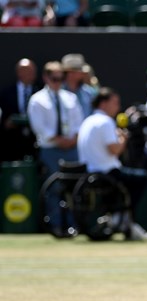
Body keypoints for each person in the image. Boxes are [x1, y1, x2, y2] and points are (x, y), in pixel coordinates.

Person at [76, 88, 147, 240]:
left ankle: (118, 215)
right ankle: (123, 217)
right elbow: (114, 150)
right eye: (115, 103)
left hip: (90, 172)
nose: (118, 107)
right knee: (142, 178)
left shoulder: (87, 121)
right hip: (106, 173)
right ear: (103, 103)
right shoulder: (105, 122)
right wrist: (123, 139)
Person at [27, 61, 84, 237]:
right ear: (45, 77)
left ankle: (75, 225)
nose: (58, 81)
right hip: (51, 149)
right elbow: (40, 128)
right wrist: (59, 140)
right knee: (54, 188)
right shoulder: (37, 100)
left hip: (72, 149)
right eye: (54, 78)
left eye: (61, 78)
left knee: (75, 188)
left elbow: (78, 122)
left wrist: (72, 139)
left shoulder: (70, 98)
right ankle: (56, 225)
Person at [0, 58, 40, 163]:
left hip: (34, 142)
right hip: (12, 143)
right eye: (28, 71)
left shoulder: (39, 92)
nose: (32, 74)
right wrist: (6, 124)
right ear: (19, 73)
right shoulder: (6, 93)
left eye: (33, 71)